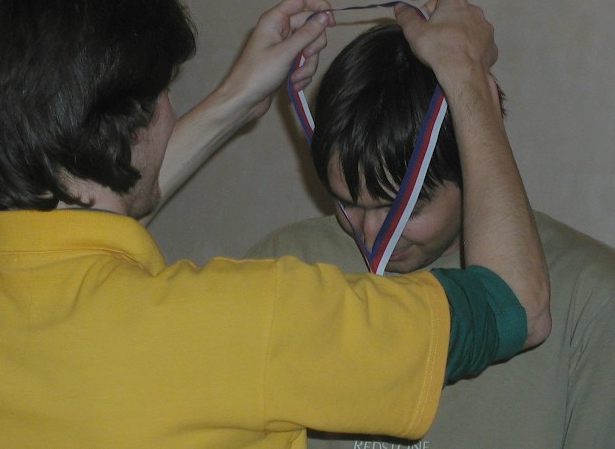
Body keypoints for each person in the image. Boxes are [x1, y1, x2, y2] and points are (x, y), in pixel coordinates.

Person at [0, 0, 550, 447]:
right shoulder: (258, 320)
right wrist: (466, 72)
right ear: (134, 124)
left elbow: (91, 197)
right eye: (164, 95)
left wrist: (237, 98)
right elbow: (516, 307)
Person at [248, 22, 615, 448]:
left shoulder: (592, 298)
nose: (373, 234)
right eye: (347, 203)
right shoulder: (283, 266)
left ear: (473, 169)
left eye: (407, 208)